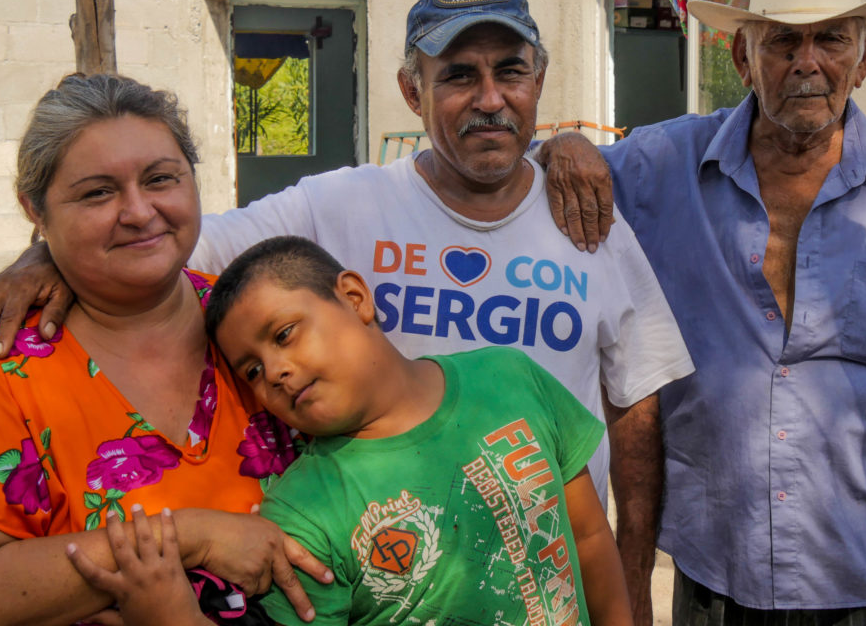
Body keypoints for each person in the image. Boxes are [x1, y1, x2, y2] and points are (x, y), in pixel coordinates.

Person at [0, 0, 694, 626]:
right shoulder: (307, 243)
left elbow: (636, 400)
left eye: (512, 71)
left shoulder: (587, 217)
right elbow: (149, 245)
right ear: (412, 89)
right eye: (459, 75)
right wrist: (39, 255)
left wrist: (629, 583)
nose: (490, 97)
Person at [543, 0, 866, 624]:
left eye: (830, 39)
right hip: (718, 578)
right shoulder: (663, 165)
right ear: (742, 54)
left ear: (865, 55)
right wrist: (561, 144)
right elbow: (504, 180)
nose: (807, 62)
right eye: (782, 41)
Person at [69, 235, 633, 626]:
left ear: (355, 298)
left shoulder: (511, 378)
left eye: (285, 333)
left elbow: (586, 538)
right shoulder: (304, 513)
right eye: (253, 371)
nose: (277, 373)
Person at [0, 74, 330, 625]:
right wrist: (189, 537)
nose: (140, 211)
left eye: (160, 179)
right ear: (35, 209)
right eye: (97, 192)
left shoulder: (263, 321)